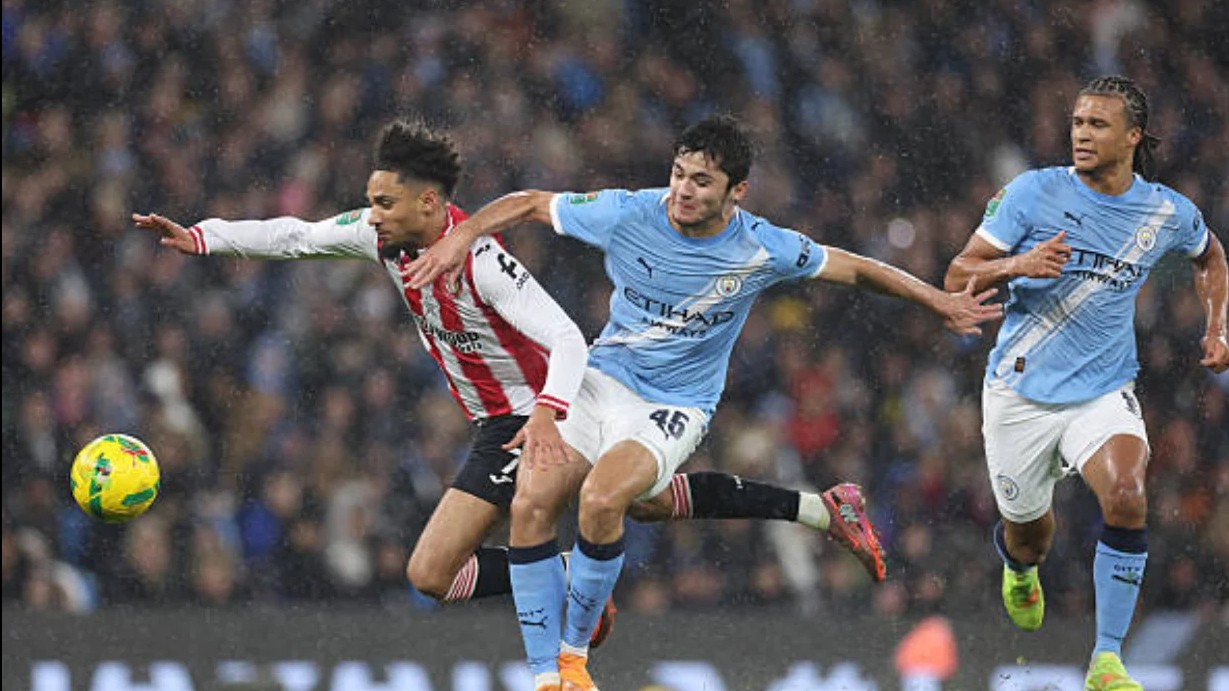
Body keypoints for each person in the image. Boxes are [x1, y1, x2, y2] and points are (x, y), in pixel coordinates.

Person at [132, 118, 894, 648]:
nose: (372, 213)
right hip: (508, 416)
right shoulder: (379, 236)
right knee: (641, 502)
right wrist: (202, 237)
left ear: (430, 204)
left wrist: (547, 414)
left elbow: (563, 334)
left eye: (384, 201)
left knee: (443, 567)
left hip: (534, 412)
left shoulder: (482, 260)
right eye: (373, 201)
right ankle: (818, 509)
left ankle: (572, 602)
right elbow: (296, 236)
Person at [404, 114, 1003, 690]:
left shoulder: (761, 246)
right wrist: (464, 234)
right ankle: (549, 673)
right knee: (539, 501)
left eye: (701, 181)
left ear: (736, 191)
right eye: (678, 174)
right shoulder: (629, 211)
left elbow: (853, 268)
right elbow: (533, 202)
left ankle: (572, 663)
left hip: (672, 404)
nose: (683, 191)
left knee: (604, 499)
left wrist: (937, 301)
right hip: (600, 377)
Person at [944, 76, 1227, 690]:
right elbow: (957, 274)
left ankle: (1106, 660)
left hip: (1103, 391)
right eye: (1077, 122)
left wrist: (1218, 325)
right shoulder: (1032, 192)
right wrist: (1019, 263)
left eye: (1097, 124)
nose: (1081, 133)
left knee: (1126, 494)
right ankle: (1019, 565)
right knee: (1031, 537)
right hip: (1019, 395)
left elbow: (1210, 255)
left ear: (1133, 137)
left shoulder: (1165, 211)